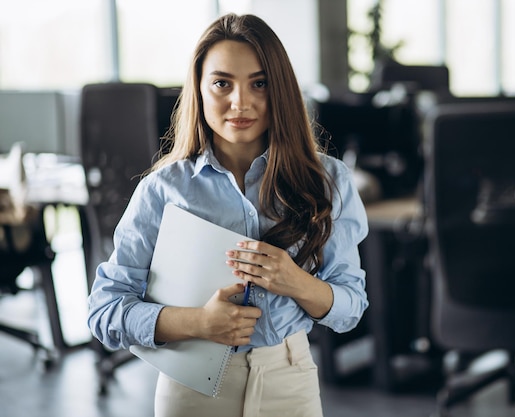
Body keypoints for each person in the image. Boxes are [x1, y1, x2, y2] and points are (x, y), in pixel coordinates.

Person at [87, 13, 369, 417]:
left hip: (289, 382)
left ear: (281, 90)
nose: (241, 102)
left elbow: (351, 307)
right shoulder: (163, 190)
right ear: (199, 89)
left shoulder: (327, 180)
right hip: (191, 387)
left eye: (259, 83)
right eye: (222, 83)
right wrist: (198, 323)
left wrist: (296, 282)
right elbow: (105, 310)